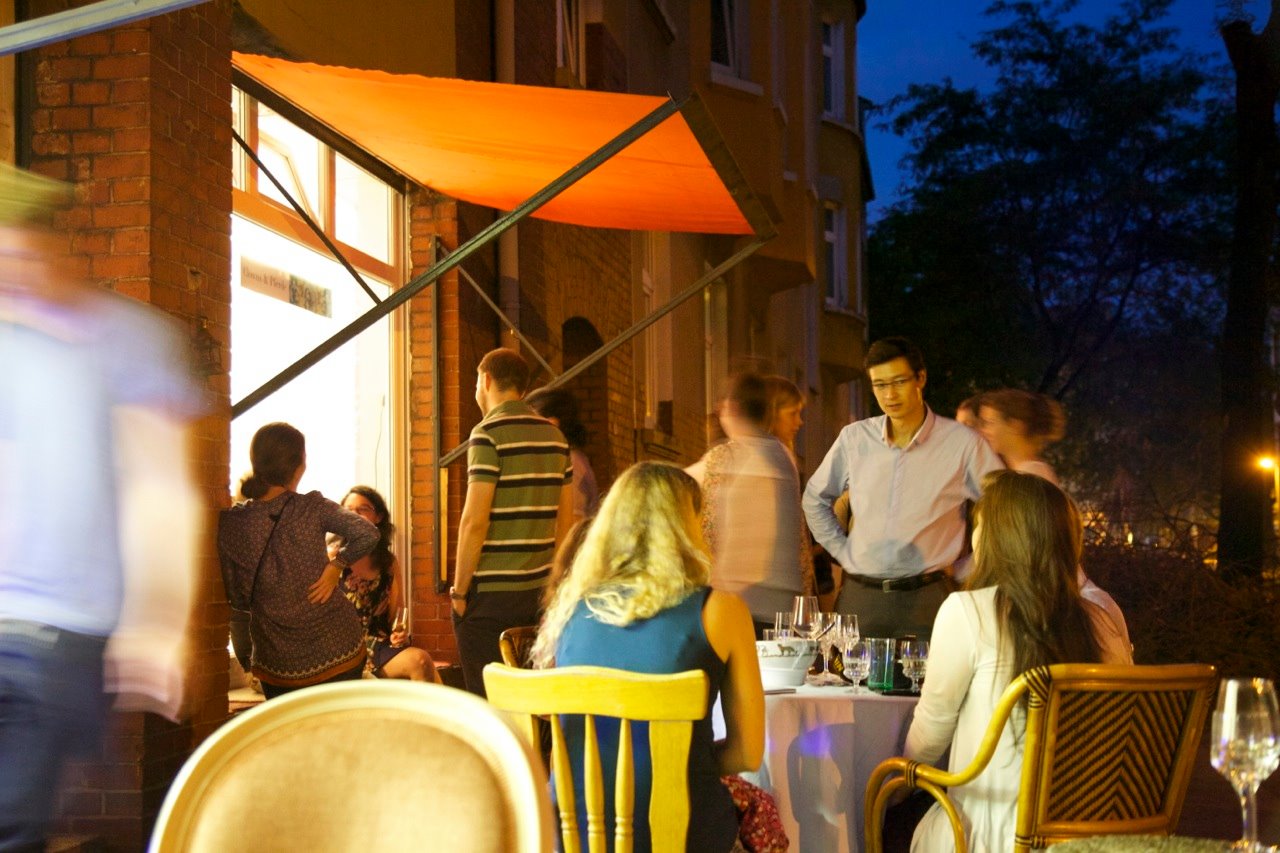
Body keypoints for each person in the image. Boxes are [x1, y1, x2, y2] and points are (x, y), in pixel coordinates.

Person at [0, 164, 204, 850]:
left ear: (49, 244)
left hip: (50, 634)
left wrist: (158, 619)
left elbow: (160, 489)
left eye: (19, 249)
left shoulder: (125, 339)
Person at [531, 462, 765, 853]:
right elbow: (749, 752)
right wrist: (676, 761)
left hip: (573, 837)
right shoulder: (720, 611)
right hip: (680, 836)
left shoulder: (570, 611)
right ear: (686, 528)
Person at [905, 470, 1133, 852]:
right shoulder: (1101, 622)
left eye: (978, 525)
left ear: (998, 537)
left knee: (891, 804)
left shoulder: (969, 612)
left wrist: (895, 779)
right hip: (1089, 837)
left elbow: (929, 737)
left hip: (986, 837)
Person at [803, 337, 1004, 639]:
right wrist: (842, 551)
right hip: (860, 595)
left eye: (898, 382)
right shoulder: (855, 438)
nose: (889, 394)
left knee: (932, 672)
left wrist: (968, 567)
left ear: (920, 378)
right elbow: (814, 499)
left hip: (930, 596)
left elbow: (1005, 509)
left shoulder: (963, 444)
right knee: (846, 670)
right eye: (880, 385)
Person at [218, 423, 378, 699]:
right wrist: (337, 565)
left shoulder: (233, 524)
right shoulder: (311, 508)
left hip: (277, 662)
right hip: (337, 649)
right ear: (298, 466)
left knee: (290, 727)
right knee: (337, 724)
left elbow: (238, 598)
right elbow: (368, 533)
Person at [452, 348, 574, 696]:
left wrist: (459, 591)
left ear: (486, 380)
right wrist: (556, 586)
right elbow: (565, 522)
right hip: (538, 592)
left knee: (486, 698)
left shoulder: (487, 433)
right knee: (530, 696)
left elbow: (474, 521)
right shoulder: (556, 438)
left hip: (491, 596)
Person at [690, 372, 814, 633]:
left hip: (739, 604)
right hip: (783, 607)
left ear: (730, 408)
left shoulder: (724, 458)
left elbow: (673, 486)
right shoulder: (783, 457)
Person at [338, 486, 440, 682]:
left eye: (362, 509)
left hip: (378, 645)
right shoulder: (333, 559)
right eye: (348, 510)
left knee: (421, 661)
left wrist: (400, 634)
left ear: (379, 517)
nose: (354, 515)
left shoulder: (388, 563)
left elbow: (396, 617)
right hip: (340, 649)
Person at [525, 385, 600, 520]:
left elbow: (572, 522)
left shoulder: (571, 464)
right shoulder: (568, 460)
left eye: (529, 422)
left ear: (551, 424)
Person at [977, 388, 1066, 486]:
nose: (983, 431)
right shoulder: (1025, 474)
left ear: (1015, 426)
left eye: (990, 423)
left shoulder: (1029, 477)